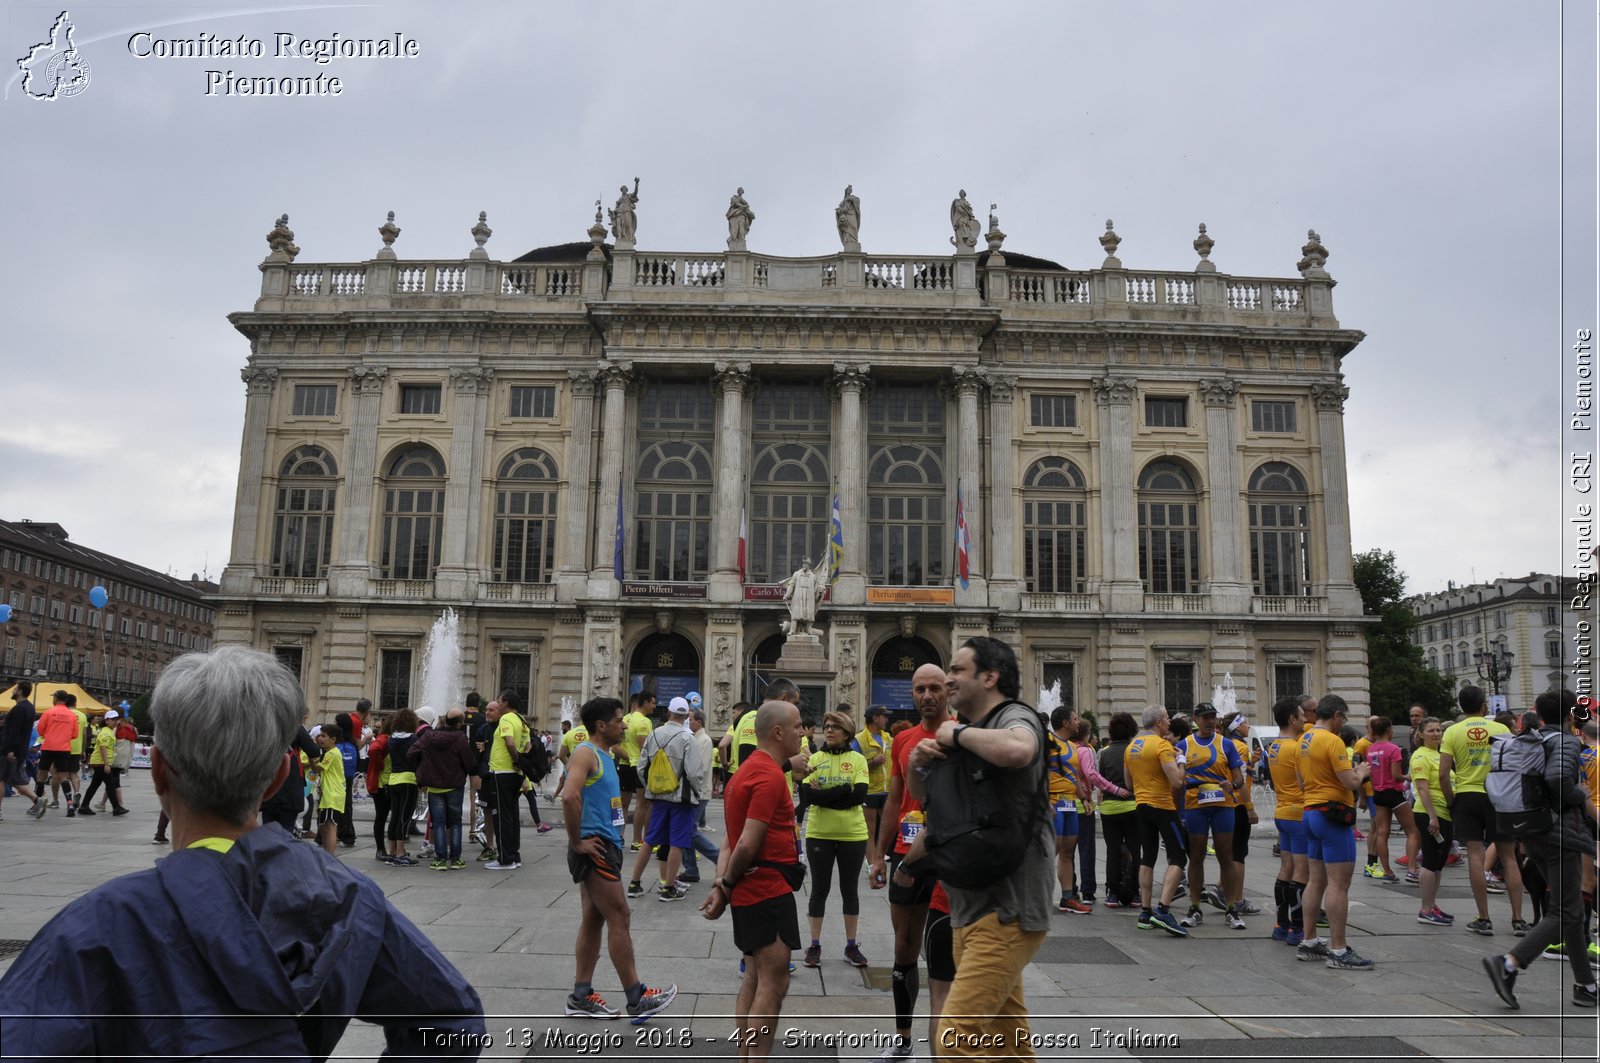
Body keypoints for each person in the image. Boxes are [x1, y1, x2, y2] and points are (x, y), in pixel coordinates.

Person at [0, 645, 485, 1057]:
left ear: (159, 771)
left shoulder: (97, 926)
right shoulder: (348, 896)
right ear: (278, 776)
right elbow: (453, 1020)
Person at [905, 637, 1052, 1059]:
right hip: (969, 905)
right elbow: (921, 793)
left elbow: (1020, 749)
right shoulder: (957, 734)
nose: (947, 679)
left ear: (990, 677)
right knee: (1009, 1046)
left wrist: (960, 733)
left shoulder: (1013, 715)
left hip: (1007, 906)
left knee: (954, 1041)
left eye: (958, 670)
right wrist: (921, 757)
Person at [700, 700, 807, 1061]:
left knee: (753, 977)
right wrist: (725, 886)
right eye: (797, 726)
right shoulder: (768, 775)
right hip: (767, 888)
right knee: (774, 984)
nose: (802, 732)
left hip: (751, 890)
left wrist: (721, 884)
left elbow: (729, 840)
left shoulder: (744, 772)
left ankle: (746, 1056)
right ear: (778, 732)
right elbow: (747, 841)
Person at [562, 696, 680, 1023]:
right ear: (602, 725)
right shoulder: (586, 753)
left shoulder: (606, 754)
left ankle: (581, 995)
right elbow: (569, 795)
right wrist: (577, 841)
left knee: (593, 918)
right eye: (618, 719)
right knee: (620, 915)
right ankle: (636, 996)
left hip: (605, 844)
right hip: (595, 846)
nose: (624, 724)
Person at [1482, 691, 1598, 1009]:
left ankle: (1585, 985)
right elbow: (1558, 778)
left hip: (1534, 832)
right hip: (1560, 835)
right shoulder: (1567, 741)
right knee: (1566, 912)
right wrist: (1579, 793)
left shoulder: (1535, 739)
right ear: (1570, 715)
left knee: (1570, 913)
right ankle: (1508, 964)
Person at [865, 665, 951, 1062]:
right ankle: (903, 1037)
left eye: (934, 688)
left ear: (947, 691)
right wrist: (879, 855)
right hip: (905, 852)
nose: (927, 695)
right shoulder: (902, 739)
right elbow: (894, 800)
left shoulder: (961, 737)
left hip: (948, 856)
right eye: (920, 689)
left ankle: (942, 1044)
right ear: (912, 694)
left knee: (941, 958)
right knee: (903, 946)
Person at [1442, 684, 1528, 936]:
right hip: (1498, 795)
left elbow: (1444, 774)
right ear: (1483, 705)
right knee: (1509, 857)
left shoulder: (1453, 732)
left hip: (1468, 796)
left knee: (1476, 856)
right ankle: (1518, 919)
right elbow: (1515, 763)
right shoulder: (1501, 728)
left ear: (1461, 706)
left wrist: (1450, 800)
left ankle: (1484, 917)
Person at [1296, 694, 1374, 969]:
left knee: (1316, 881)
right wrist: (1361, 771)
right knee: (1339, 884)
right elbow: (1350, 781)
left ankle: (1309, 942)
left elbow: (1301, 783)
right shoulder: (1333, 741)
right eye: (1344, 718)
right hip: (1332, 816)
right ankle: (1339, 951)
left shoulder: (1302, 741)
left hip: (1310, 813)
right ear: (1337, 715)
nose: (1343, 723)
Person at [800, 710, 870, 968]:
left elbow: (858, 795)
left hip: (853, 833)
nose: (828, 730)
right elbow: (809, 797)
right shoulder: (815, 758)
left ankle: (851, 946)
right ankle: (815, 945)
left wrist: (829, 794)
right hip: (819, 832)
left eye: (835, 727)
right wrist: (843, 790)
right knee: (819, 889)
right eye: (826, 726)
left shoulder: (858, 760)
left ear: (847, 733)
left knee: (849, 890)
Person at [626, 697, 703, 900]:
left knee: (650, 839)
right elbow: (694, 772)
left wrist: (651, 788)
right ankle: (668, 888)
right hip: (681, 798)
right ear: (686, 716)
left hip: (658, 797)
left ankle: (634, 884)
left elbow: (642, 767)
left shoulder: (654, 734)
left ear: (668, 713)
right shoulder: (688, 738)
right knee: (677, 842)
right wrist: (698, 791)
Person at [1179, 702, 1246, 930]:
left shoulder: (1226, 744)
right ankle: (1195, 907)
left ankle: (1231, 907)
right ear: (1195, 719)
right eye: (1205, 717)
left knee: (1225, 855)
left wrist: (1232, 783)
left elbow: (1239, 779)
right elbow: (1176, 780)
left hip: (1223, 806)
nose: (1210, 721)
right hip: (1195, 806)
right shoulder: (1184, 745)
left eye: (1213, 717)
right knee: (1196, 856)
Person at [1127, 705, 1190, 936]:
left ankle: (1145, 911)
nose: (1169, 721)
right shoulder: (1163, 746)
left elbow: (1128, 782)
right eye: (1166, 718)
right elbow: (1177, 782)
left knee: (1148, 858)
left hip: (1141, 806)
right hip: (1163, 807)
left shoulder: (1132, 746)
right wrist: (1181, 761)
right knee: (1178, 856)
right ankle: (1163, 909)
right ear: (1158, 723)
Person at [1264, 697, 1310, 944]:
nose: (1305, 719)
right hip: (1299, 812)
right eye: (1302, 715)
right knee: (1302, 872)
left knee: (1286, 869)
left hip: (1282, 812)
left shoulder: (1273, 747)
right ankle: (1298, 928)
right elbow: (1304, 783)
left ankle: (1281, 925)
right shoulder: (1297, 747)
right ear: (1292, 719)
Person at [411, 708, 478, 870]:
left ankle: (440, 859)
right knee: (455, 822)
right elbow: (469, 763)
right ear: (460, 723)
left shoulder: (428, 736)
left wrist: (423, 770)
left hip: (434, 787)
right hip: (454, 786)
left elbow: (412, 753)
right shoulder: (460, 738)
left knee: (438, 822)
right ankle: (455, 859)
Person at [1410, 716, 1456, 926]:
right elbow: (1422, 788)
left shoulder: (1440, 755)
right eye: (1431, 730)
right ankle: (1425, 909)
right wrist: (1432, 816)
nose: (1437, 733)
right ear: (1420, 734)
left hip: (1444, 813)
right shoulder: (1420, 756)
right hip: (1429, 813)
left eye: (1438, 730)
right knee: (1429, 861)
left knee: (1438, 863)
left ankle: (1432, 905)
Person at [1362, 716, 1415, 883]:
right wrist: (1408, 777)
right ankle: (1412, 868)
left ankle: (1387, 871)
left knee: (1382, 833)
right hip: (1394, 793)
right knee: (1413, 831)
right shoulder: (1393, 749)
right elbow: (1396, 776)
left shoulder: (1370, 750)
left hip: (1378, 794)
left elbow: (1369, 774)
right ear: (1388, 730)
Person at [1096, 711, 1141, 908]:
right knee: (1135, 850)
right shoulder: (1136, 751)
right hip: (1134, 806)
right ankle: (1134, 893)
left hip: (1110, 808)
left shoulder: (1103, 753)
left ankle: (1112, 893)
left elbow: (1101, 781)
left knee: (1113, 850)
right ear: (1132, 730)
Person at [487, 692, 532, 870]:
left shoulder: (506, 719)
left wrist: (515, 760)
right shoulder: (522, 721)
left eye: (499, 701)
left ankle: (505, 859)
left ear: (506, 702)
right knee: (512, 815)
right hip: (515, 774)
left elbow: (510, 743)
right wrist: (521, 766)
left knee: (502, 816)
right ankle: (514, 855)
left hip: (502, 772)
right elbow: (528, 746)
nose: (497, 704)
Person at [681, 708, 722, 883]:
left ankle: (720, 858)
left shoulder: (704, 740)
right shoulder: (695, 738)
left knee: (688, 831)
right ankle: (691, 869)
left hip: (698, 792)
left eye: (690, 719)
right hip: (693, 790)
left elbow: (701, 768)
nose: (687, 721)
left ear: (699, 721)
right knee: (687, 830)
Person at [381, 709, 422, 866]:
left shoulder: (391, 739)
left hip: (393, 779)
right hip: (408, 779)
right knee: (404, 817)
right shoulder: (413, 739)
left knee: (395, 817)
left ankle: (392, 852)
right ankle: (400, 853)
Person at [31, 690, 79, 818]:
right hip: (64, 748)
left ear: (56, 698)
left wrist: (50, 733)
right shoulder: (72, 715)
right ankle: (69, 804)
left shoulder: (48, 712)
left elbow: (40, 730)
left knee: (41, 776)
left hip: (49, 747)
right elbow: (75, 734)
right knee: (63, 777)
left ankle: (37, 804)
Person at [620, 691, 656, 850]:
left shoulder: (628, 719)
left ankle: (621, 837)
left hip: (626, 764)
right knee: (645, 804)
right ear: (645, 702)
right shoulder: (643, 722)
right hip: (640, 765)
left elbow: (616, 746)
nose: (655, 706)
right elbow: (645, 748)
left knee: (624, 804)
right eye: (653, 703)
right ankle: (642, 840)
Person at [855, 705, 891, 850]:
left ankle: (881, 855)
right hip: (870, 791)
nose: (887, 719)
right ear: (875, 718)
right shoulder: (859, 739)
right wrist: (873, 762)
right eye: (884, 716)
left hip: (887, 790)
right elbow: (854, 765)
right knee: (871, 829)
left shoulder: (887, 737)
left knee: (887, 829)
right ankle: (871, 863)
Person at [78, 710, 128, 816]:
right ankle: (116, 808)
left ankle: (84, 806)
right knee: (110, 785)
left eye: (116, 719)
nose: (115, 722)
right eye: (113, 719)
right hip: (101, 762)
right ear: (107, 720)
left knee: (95, 785)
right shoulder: (106, 732)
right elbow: (103, 748)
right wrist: (106, 764)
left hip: (98, 762)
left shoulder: (107, 730)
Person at [313, 725, 346, 855]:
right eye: (319, 735)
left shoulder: (332, 753)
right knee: (325, 826)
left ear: (333, 739)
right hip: (329, 794)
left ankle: (330, 857)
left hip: (332, 794)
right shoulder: (329, 753)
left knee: (330, 826)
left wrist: (311, 760)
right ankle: (327, 855)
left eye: (323, 736)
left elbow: (317, 769)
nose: (320, 738)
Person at [609, 177, 640, 243]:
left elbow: (635, 193)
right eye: (623, 189)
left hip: (627, 211)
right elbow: (617, 203)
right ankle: (620, 236)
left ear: (626, 190)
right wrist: (614, 211)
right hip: (620, 212)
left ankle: (630, 238)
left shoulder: (629, 196)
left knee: (628, 225)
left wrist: (636, 184)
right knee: (619, 224)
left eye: (625, 189)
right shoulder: (620, 198)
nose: (624, 190)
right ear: (621, 190)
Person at [835, 184, 861, 249]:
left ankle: (853, 241)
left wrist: (852, 199)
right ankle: (848, 241)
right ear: (846, 191)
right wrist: (839, 211)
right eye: (848, 190)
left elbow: (857, 202)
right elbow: (841, 209)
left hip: (852, 216)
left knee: (854, 229)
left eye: (850, 190)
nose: (849, 191)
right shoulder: (843, 201)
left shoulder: (854, 197)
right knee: (847, 231)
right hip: (846, 217)